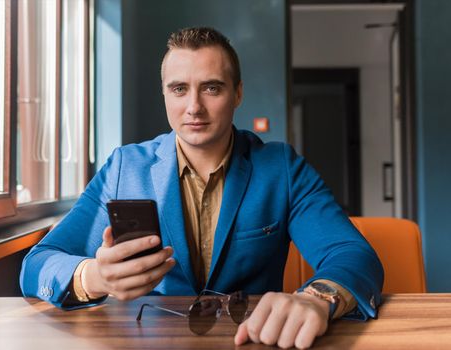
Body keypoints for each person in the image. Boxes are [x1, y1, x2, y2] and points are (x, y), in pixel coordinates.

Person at [20, 27, 383, 349]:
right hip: (147, 341)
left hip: (252, 339)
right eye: (179, 89)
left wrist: (318, 297)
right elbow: (37, 264)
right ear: (165, 94)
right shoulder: (124, 168)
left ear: (237, 93)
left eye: (212, 88)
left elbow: (352, 254)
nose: (194, 107)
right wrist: (94, 277)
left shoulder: (281, 168)